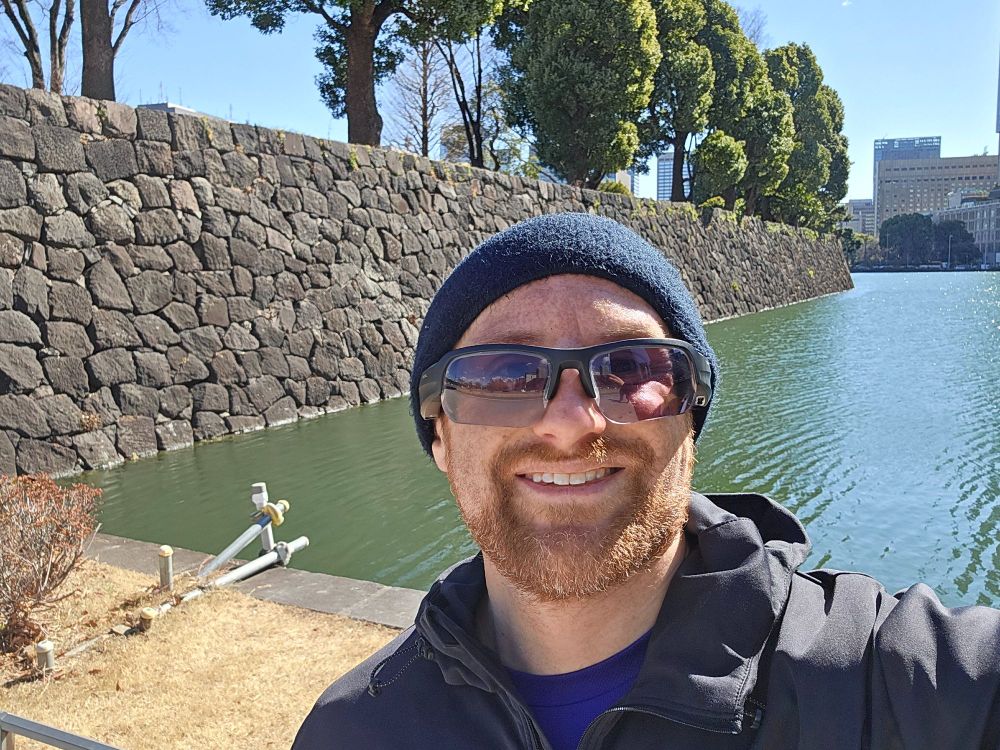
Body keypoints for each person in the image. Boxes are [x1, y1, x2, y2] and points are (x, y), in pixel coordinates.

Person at [292, 213, 1000, 750]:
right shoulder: (354, 728)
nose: (569, 424)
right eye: (504, 374)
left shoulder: (887, 683)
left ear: (690, 417)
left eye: (632, 369)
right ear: (439, 436)